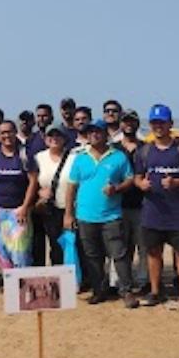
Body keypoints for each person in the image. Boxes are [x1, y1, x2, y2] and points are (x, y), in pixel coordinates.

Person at [133, 104, 179, 311]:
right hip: (152, 212)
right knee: (153, 253)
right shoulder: (144, 151)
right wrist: (140, 184)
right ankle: (155, 292)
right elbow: (137, 176)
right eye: (154, 123)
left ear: (170, 124)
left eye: (162, 122)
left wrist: (177, 183)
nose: (158, 126)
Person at [64, 118, 136, 307]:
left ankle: (126, 291)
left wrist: (117, 188)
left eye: (98, 132)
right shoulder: (80, 158)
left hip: (111, 216)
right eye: (91, 132)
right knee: (92, 256)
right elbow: (71, 187)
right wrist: (68, 214)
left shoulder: (118, 156)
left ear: (106, 134)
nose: (94, 135)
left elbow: (130, 179)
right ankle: (99, 290)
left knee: (119, 255)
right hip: (85, 216)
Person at [0, 120, 38, 269]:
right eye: (3, 133)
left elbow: (33, 182)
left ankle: (23, 285)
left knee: (21, 253)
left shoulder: (24, 154)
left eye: (9, 131)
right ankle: (10, 286)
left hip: (19, 211)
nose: (6, 135)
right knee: (3, 252)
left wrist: (25, 207)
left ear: (16, 133)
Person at [116, 110, 149, 290]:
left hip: (142, 205)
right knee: (121, 248)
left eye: (132, 121)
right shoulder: (112, 148)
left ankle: (144, 281)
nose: (128, 124)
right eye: (125, 121)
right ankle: (122, 282)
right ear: (120, 124)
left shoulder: (146, 147)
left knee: (143, 247)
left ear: (137, 124)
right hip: (118, 206)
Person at [34, 124, 75, 267]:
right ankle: (58, 277)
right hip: (48, 209)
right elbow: (32, 182)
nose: (54, 138)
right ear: (45, 139)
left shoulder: (73, 157)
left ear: (65, 138)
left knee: (72, 245)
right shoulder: (39, 158)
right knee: (54, 246)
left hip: (70, 208)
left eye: (58, 135)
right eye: (51, 135)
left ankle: (76, 278)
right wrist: (39, 192)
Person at [18, 110, 47, 266]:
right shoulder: (14, 140)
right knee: (20, 237)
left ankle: (39, 268)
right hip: (18, 195)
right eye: (22, 120)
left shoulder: (39, 140)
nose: (25, 123)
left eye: (28, 120)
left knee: (38, 235)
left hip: (37, 193)